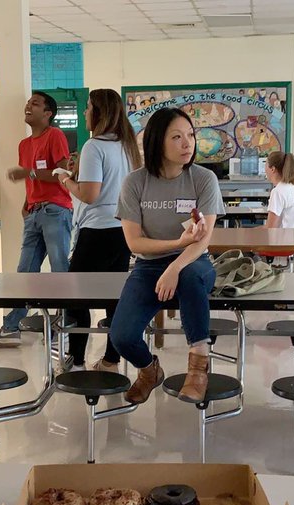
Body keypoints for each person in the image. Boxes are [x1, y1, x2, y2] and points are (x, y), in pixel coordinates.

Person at [108, 107, 224, 404]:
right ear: (157, 141)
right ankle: (149, 371)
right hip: (148, 266)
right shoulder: (135, 182)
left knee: (190, 275)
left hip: (194, 260)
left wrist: (174, 266)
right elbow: (134, 243)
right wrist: (175, 243)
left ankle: (198, 367)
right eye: (176, 137)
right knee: (121, 336)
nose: (188, 143)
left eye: (191, 135)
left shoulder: (204, 179)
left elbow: (203, 239)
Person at [56, 89, 141, 372]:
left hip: (97, 230)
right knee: (114, 295)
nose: (85, 112)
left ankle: (76, 360)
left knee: (75, 295)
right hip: (123, 228)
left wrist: (66, 180)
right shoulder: (127, 145)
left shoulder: (95, 145)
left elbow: (90, 195)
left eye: (88, 107)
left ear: (99, 112)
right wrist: (78, 170)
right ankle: (111, 361)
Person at [0, 91, 72, 347]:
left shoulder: (55, 135)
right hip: (33, 212)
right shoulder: (24, 144)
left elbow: (62, 172)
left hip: (55, 210)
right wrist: (26, 205)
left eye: (35, 104)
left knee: (59, 269)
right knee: (25, 272)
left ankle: (63, 327)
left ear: (48, 113)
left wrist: (29, 172)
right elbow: (30, 181)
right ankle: (12, 327)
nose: (28, 106)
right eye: (28, 103)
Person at [260, 151, 294, 229]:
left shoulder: (278, 192)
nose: (265, 169)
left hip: (285, 236)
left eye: (265, 165)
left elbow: (270, 229)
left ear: (272, 169)